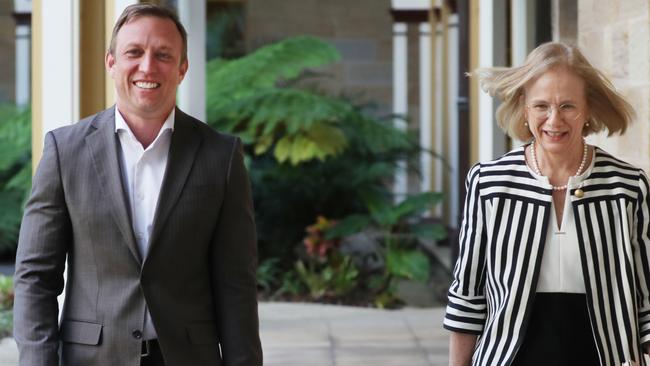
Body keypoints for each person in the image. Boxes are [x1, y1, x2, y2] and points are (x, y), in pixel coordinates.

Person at [13, 4, 262, 366]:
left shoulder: (220, 157)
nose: (148, 67)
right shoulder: (65, 151)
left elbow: (236, 284)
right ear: (111, 63)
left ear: (182, 69)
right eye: (134, 52)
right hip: (93, 358)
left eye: (163, 55)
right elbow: (36, 277)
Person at [444, 42, 650, 366]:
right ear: (525, 108)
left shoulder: (626, 185)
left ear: (588, 109)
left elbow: (646, 296)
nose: (554, 120)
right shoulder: (489, 183)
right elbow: (467, 297)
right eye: (542, 106)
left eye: (568, 105)